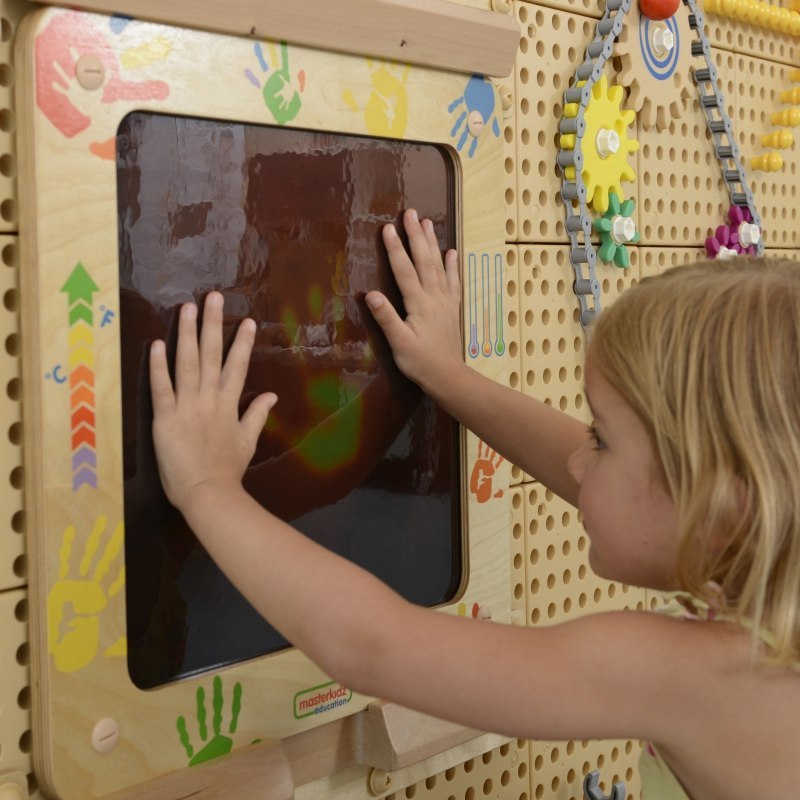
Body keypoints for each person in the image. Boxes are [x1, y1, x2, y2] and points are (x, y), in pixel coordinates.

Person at [149, 209, 800, 799]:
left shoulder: (695, 674)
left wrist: (208, 490)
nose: (578, 463)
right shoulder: (762, 592)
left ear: (722, 507)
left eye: (601, 438)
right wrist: (447, 375)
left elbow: (375, 648)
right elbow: (607, 478)